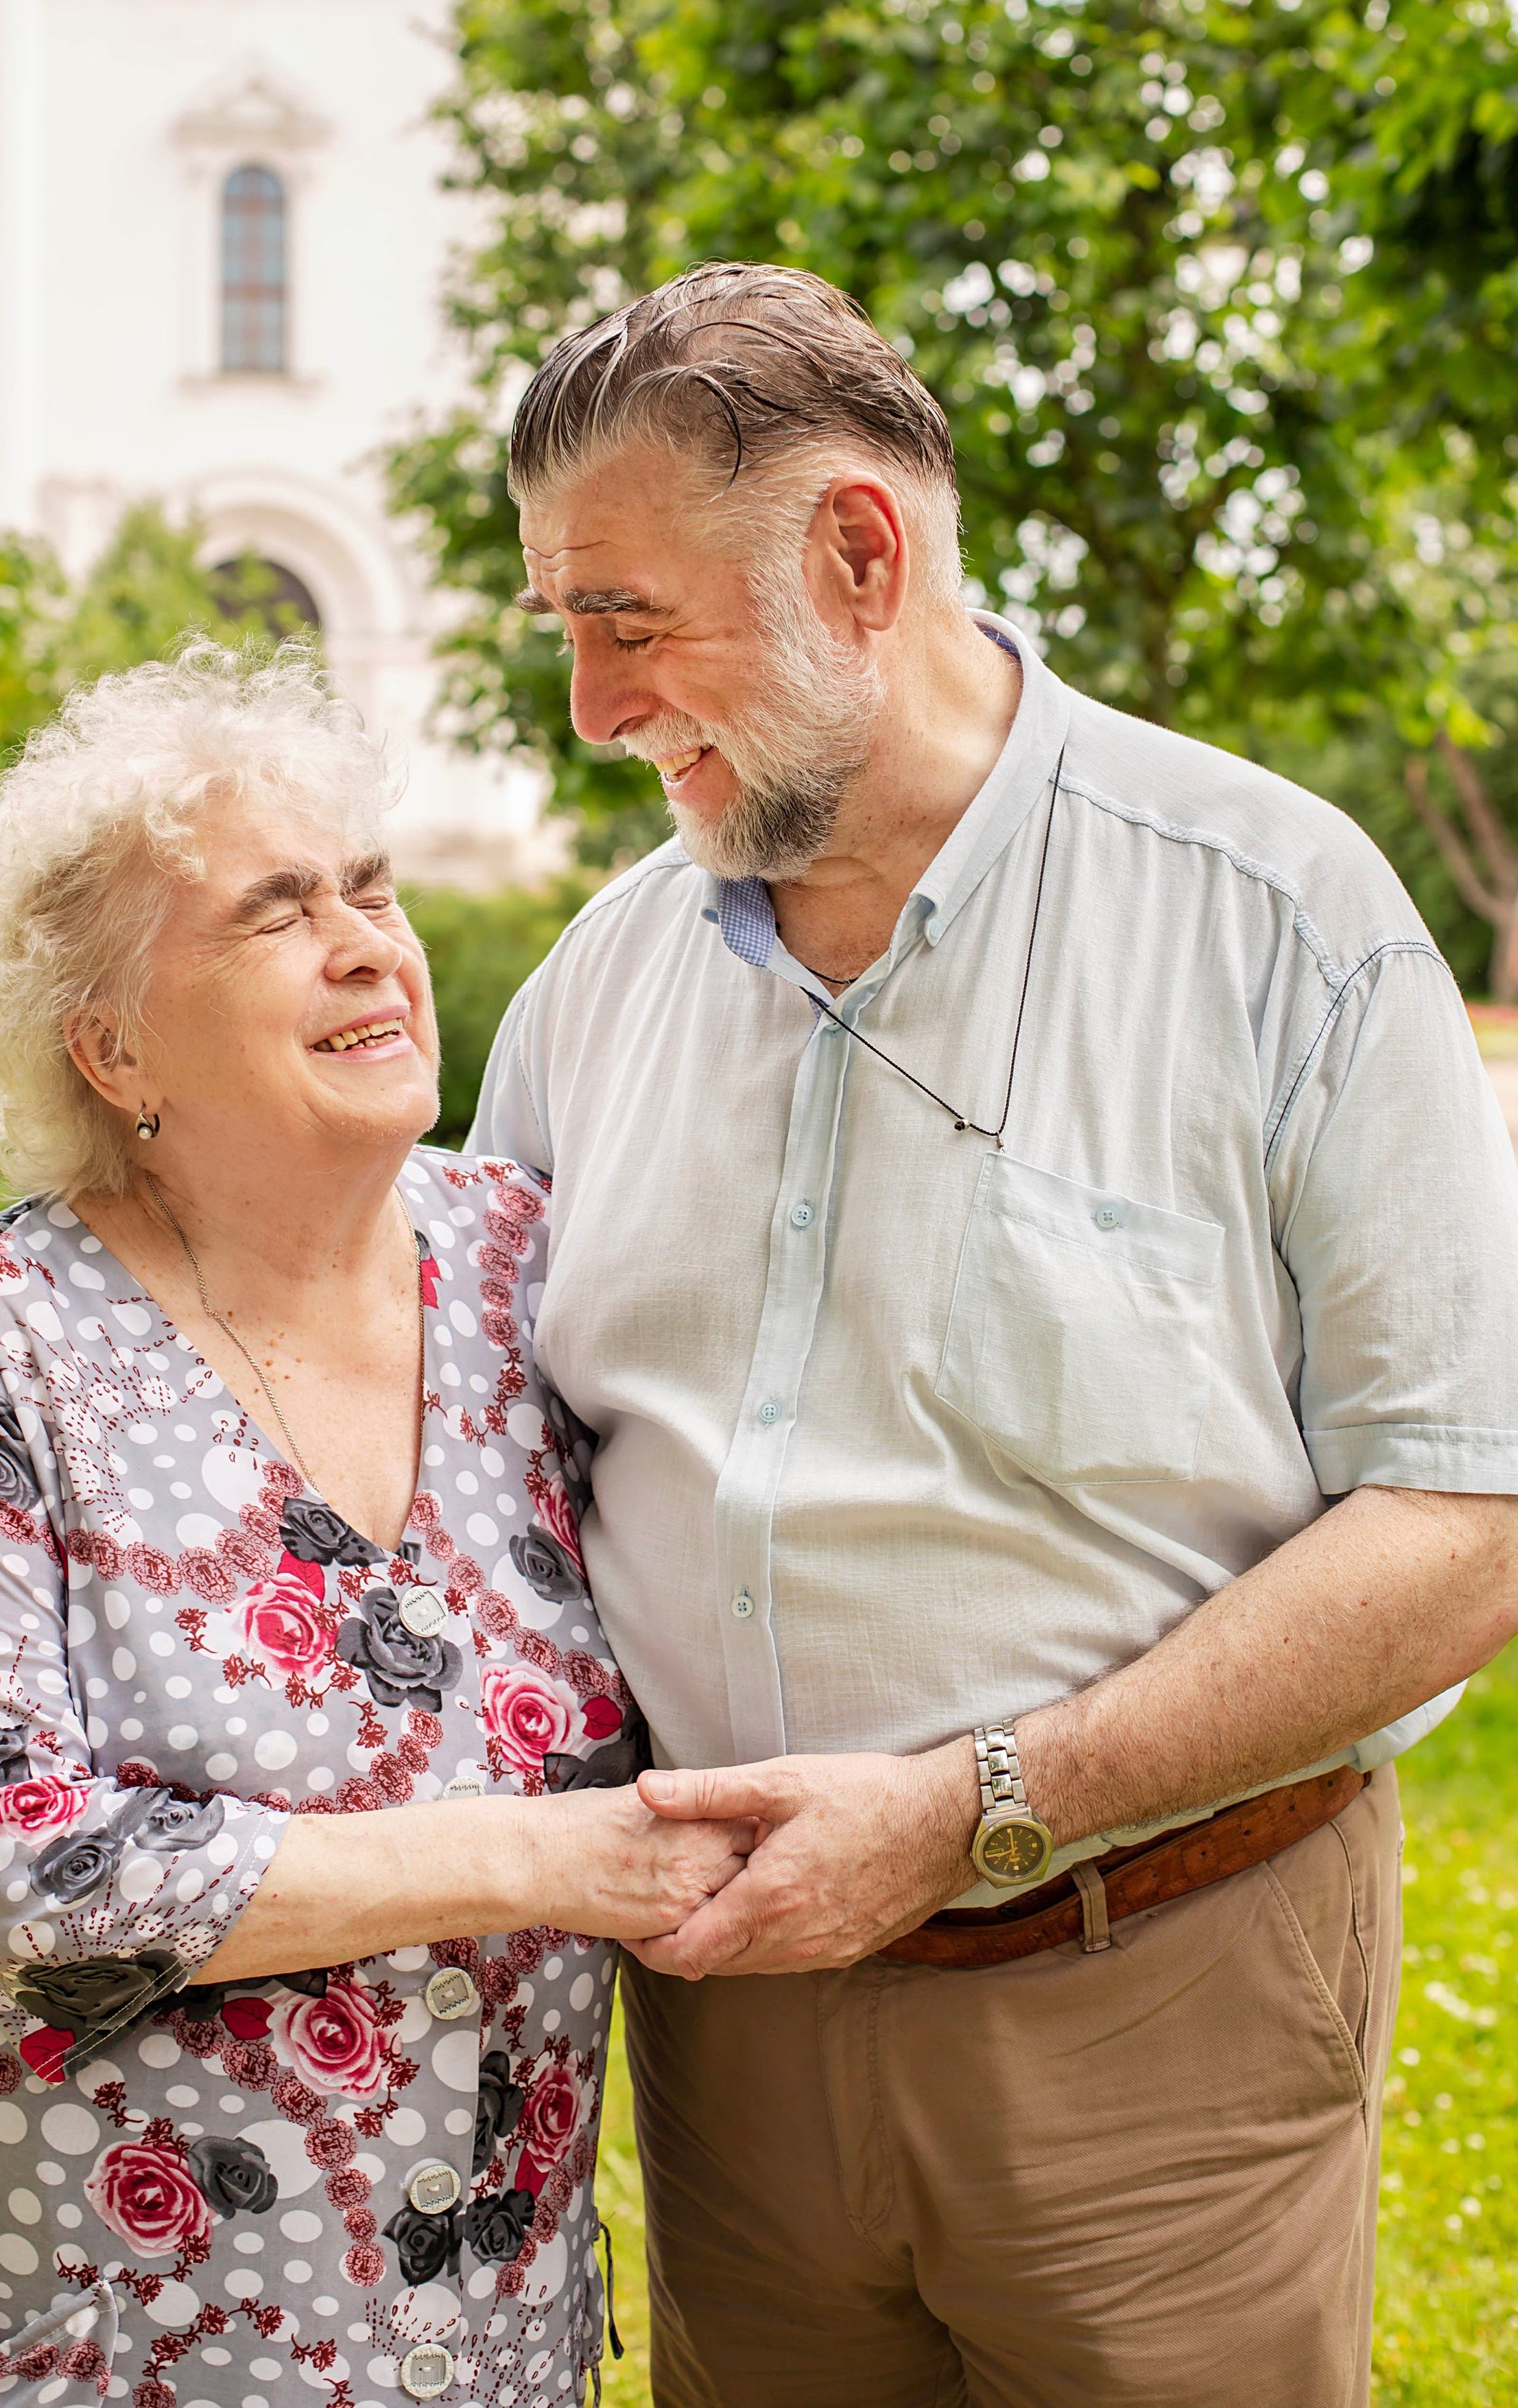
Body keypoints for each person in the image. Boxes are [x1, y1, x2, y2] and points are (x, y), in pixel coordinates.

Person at [462, 265, 1518, 2407]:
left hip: (1158, 2008)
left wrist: (975, 1811)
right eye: (561, 623)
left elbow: (1461, 1517)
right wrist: (46, 1319)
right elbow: (449, 1439)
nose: (588, 708)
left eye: (626, 620)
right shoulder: (596, 982)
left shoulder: (1275, 918)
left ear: (862, 555)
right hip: (728, 2026)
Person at [0, 648, 748, 2408]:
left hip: (468, 2323)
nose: (370, 941)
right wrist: (555, 1859)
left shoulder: (535, 1266)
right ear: (114, 1044)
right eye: (276, 911)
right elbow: (29, 1874)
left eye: (371, 889)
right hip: (52, 2326)